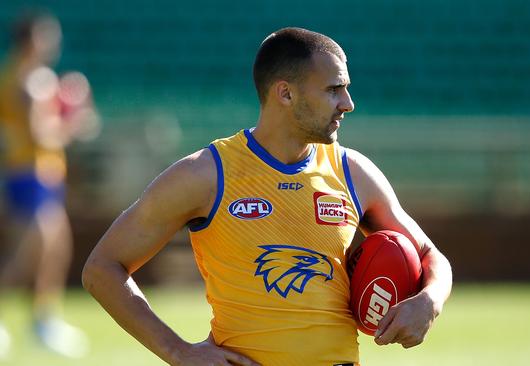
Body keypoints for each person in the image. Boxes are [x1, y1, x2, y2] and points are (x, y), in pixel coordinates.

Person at [82, 27, 452, 366]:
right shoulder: (206, 174)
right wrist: (177, 351)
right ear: (285, 93)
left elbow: (430, 255)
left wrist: (429, 300)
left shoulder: (353, 172)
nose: (348, 103)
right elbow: (102, 269)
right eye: (333, 89)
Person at [0, 10, 96, 359]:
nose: (53, 43)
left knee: (55, 250)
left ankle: (44, 321)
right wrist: (76, 117)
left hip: (45, 175)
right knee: (26, 254)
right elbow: (42, 134)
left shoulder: (30, 77)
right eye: (47, 36)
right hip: (28, 175)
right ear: (30, 40)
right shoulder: (27, 81)